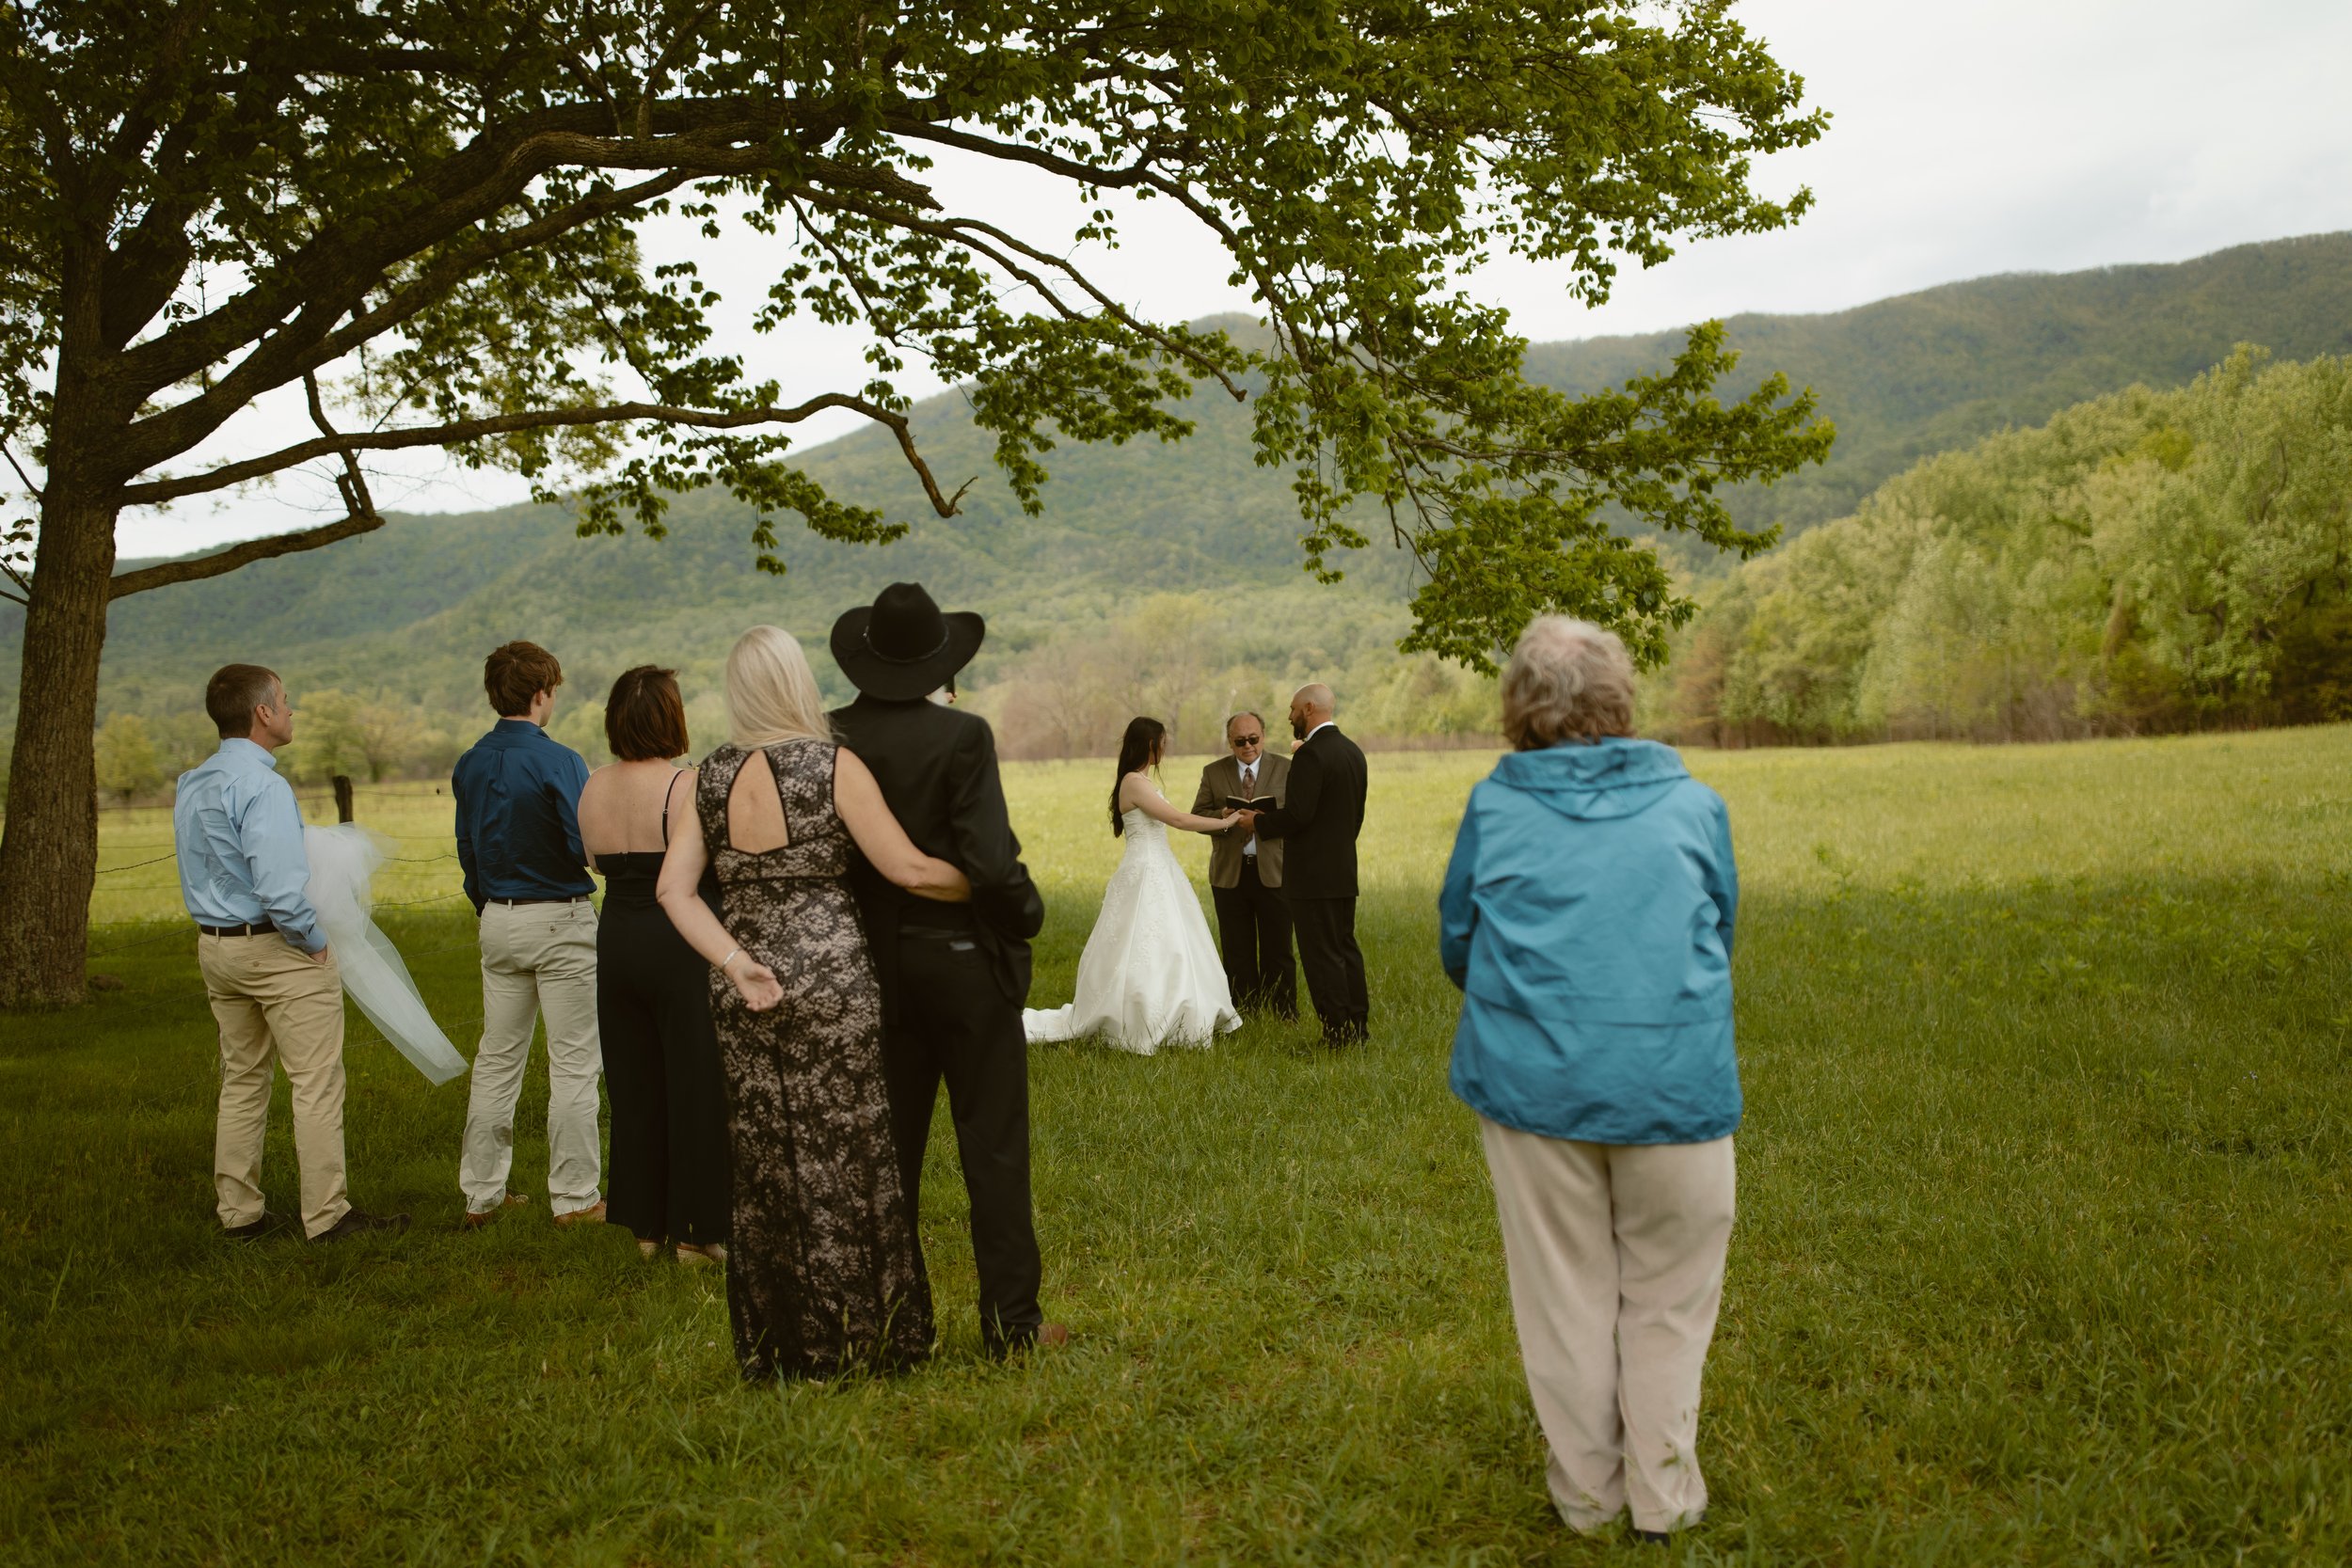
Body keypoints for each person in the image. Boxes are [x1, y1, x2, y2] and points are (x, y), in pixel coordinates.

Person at [1438, 615, 1741, 1544]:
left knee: (1564, 1293)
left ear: (1518, 707)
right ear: (1620, 696)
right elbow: (1718, 928)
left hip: (1537, 1087)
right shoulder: (1694, 804)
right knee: (1667, 1297)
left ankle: (1586, 1496)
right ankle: (1661, 1493)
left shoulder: (1496, 805)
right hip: (1674, 1081)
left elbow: (1458, 942)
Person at [657, 626, 960, 1379]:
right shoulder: (833, 765)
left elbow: (672, 890)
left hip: (745, 984)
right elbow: (909, 869)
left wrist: (736, 963)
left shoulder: (706, 778)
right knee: (850, 1152)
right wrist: (983, 883)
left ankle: (783, 1347)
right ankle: (867, 1335)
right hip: (832, 978)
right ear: (799, 682)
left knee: (766, 1162)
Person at [829, 581, 1065, 1357]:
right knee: (993, 1147)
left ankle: (895, 1325)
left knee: (886, 1158)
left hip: (872, 969)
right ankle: (1012, 1327)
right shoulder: (963, 735)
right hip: (962, 962)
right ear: (940, 661)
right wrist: (1025, 913)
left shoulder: (830, 736)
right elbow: (991, 864)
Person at [173, 663, 409, 1243]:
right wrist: (314, 940)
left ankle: (239, 1215)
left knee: (243, 1079)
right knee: (316, 1082)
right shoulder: (263, 786)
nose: (291, 709)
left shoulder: (194, 781)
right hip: (275, 949)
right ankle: (327, 1217)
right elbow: (279, 888)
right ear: (262, 713)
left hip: (216, 947)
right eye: (285, 700)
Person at [578, 666, 730, 1265]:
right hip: (677, 941)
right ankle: (697, 1231)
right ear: (672, 717)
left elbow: (591, 860)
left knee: (634, 1083)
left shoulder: (592, 784)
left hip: (616, 939)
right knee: (695, 1083)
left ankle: (645, 1229)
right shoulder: (687, 784)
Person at [452, 641, 603, 1228]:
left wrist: (487, 903)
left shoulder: (469, 762)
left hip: (498, 917)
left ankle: (482, 1196)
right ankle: (575, 1198)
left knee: (497, 1056)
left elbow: (468, 849)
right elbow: (582, 844)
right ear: (543, 694)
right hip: (559, 916)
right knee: (572, 1061)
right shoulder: (560, 760)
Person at [1025, 717, 1244, 1052]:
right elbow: (1177, 819)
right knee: (1143, 940)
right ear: (1149, 744)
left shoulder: (1138, 780)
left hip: (1160, 867)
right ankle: (1142, 1016)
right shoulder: (1134, 781)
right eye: (1162, 743)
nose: (1165, 750)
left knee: (1172, 941)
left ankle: (1180, 1011)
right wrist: (1226, 822)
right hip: (1145, 870)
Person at [1236, 683, 1369, 1047]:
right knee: (1345, 949)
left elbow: (1299, 816)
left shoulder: (1311, 755)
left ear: (1309, 708)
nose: (1290, 716)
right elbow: (1352, 816)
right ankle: (1357, 1027)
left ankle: (1336, 1034)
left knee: (1320, 955)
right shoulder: (1352, 751)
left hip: (1312, 876)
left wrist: (1257, 822)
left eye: (1294, 709)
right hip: (1343, 869)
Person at [1190, 711, 1296, 1019]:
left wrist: (1262, 821)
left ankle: (1283, 1011)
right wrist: (1222, 817)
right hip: (1229, 873)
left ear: (1263, 735)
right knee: (1237, 948)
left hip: (1274, 870)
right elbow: (1198, 817)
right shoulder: (1213, 772)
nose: (1248, 746)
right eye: (1240, 741)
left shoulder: (1286, 768)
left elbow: (1296, 817)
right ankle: (1243, 1009)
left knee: (1278, 947)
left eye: (1254, 739)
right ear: (1230, 742)